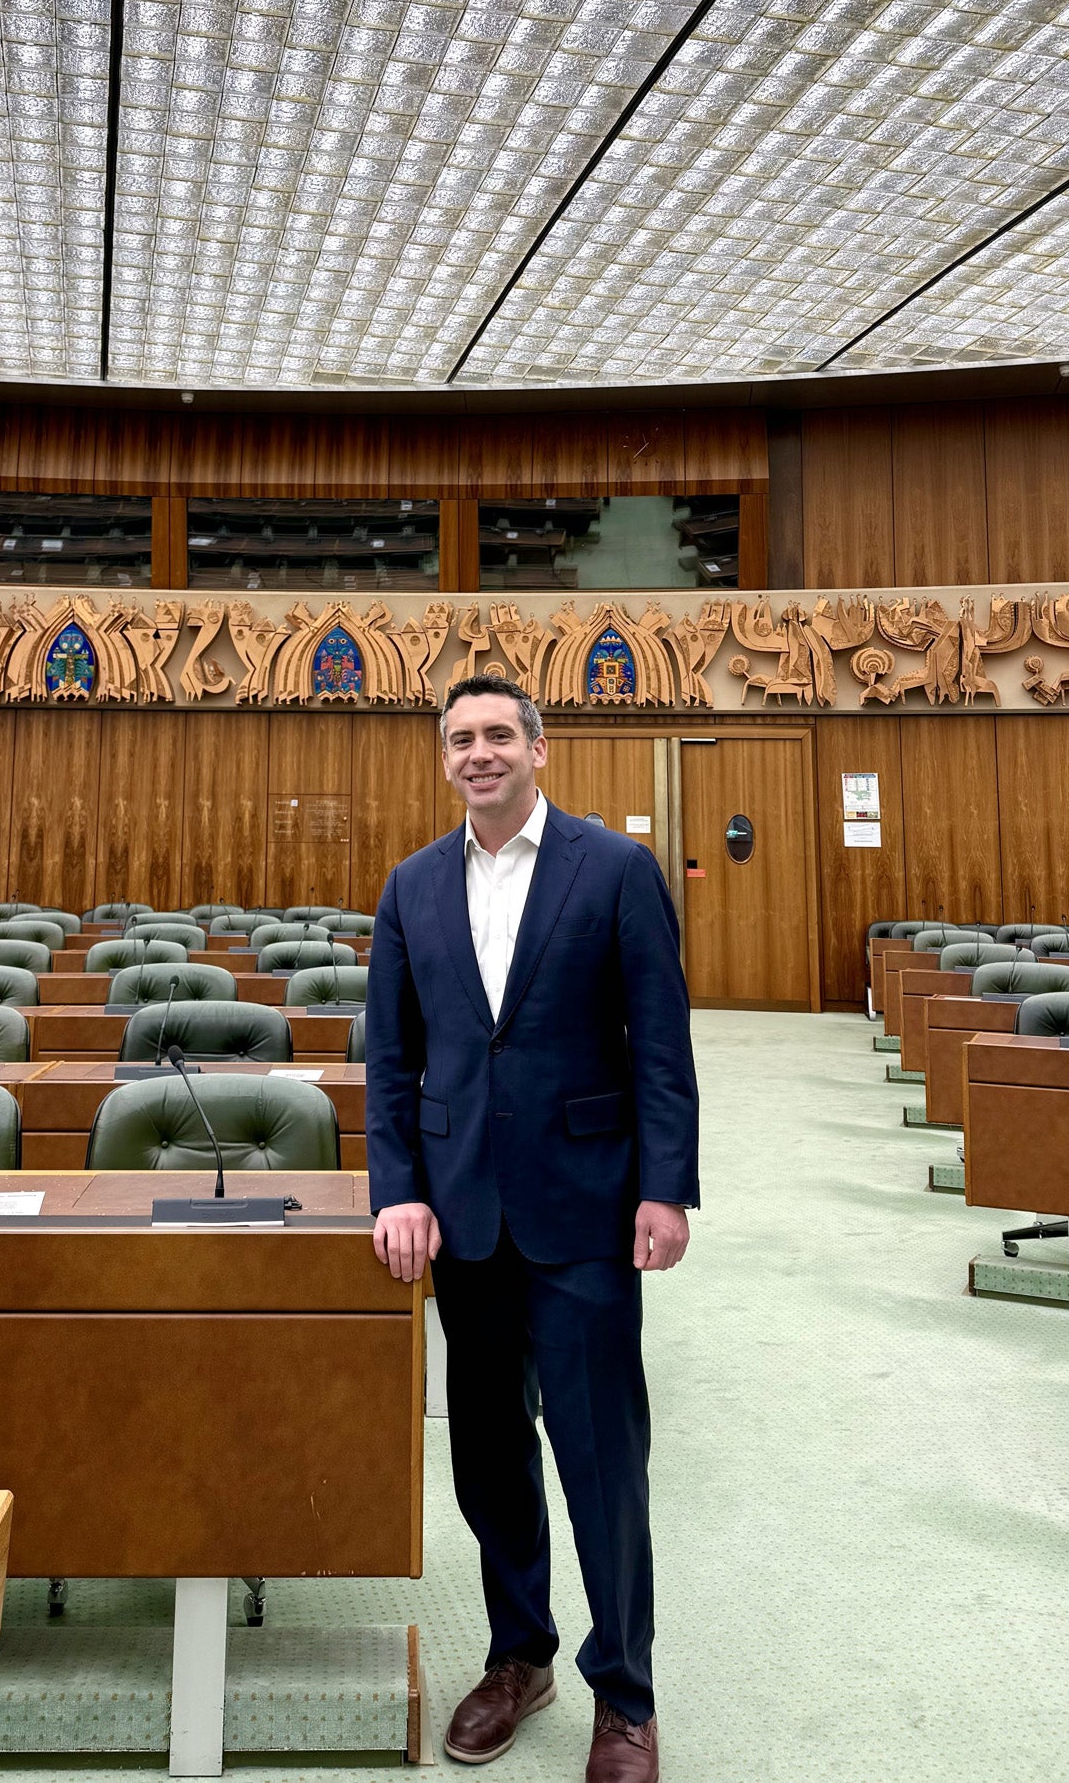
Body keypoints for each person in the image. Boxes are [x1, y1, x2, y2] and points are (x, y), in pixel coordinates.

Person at [366, 677, 698, 1783]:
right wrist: (395, 1188)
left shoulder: (612, 869)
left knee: (601, 1457)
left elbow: (657, 1042)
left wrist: (666, 1187)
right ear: (442, 757)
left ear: (539, 749)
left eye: (497, 733)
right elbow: (391, 1063)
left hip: (586, 1206)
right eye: (458, 738)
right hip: (461, 1215)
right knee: (488, 1456)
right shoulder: (410, 885)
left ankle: (625, 1693)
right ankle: (519, 1654)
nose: (477, 751)